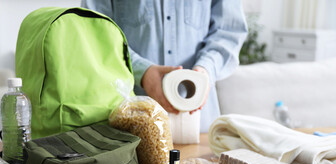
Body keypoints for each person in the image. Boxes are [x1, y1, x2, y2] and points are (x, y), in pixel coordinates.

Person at [81, 0, 248, 132]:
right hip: (130, 127)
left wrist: (206, 68)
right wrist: (142, 72)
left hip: (200, 126)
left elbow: (229, 31)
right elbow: (95, 30)